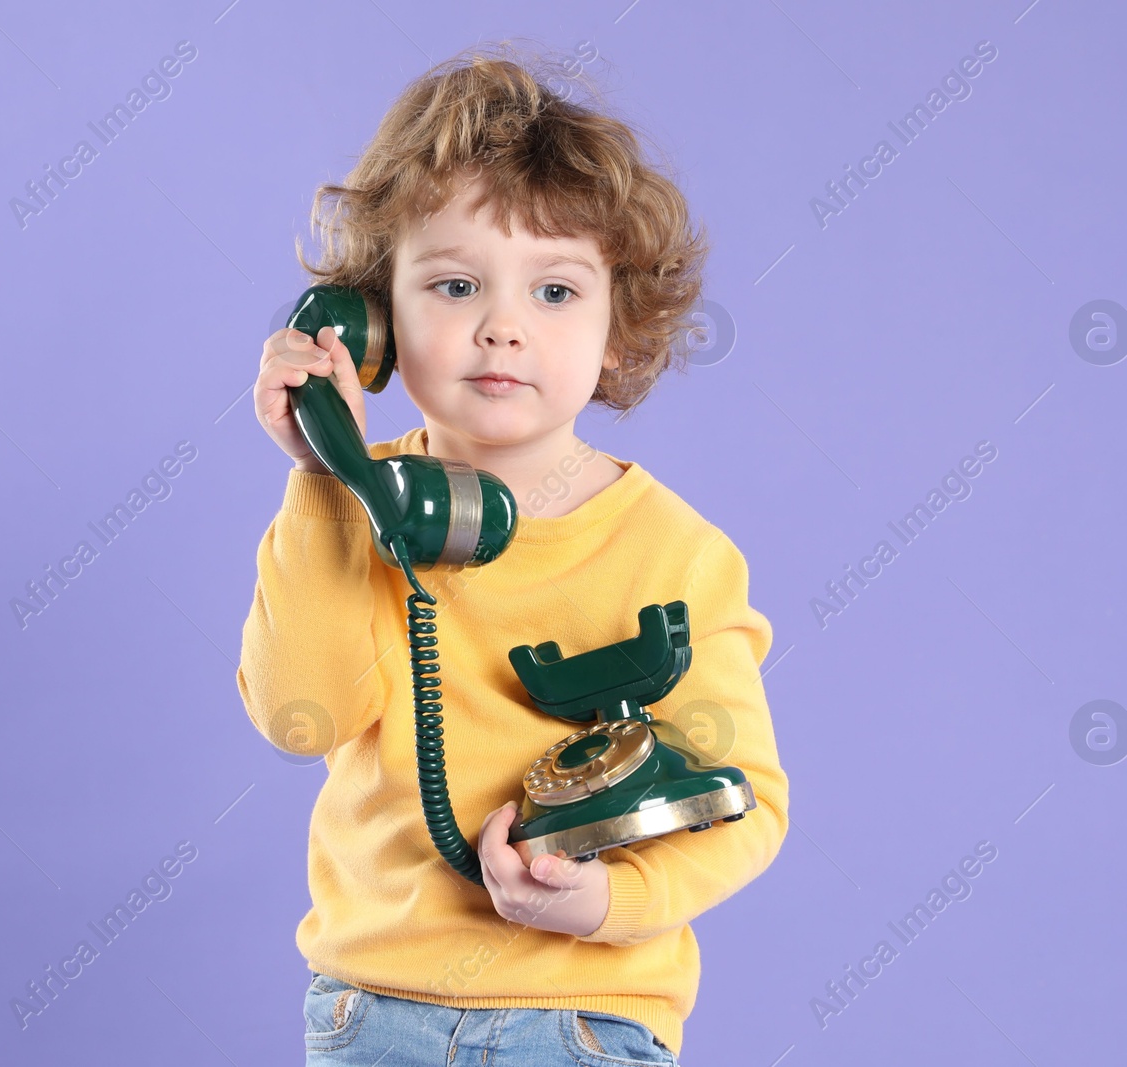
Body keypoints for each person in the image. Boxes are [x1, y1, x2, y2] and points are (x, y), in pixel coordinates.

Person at [238, 42, 789, 1065]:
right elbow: (295, 712)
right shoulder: (354, 504)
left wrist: (613, 897)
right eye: (452, 285)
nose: (500, 328)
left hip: (583, 1014)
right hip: (376, 1011)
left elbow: (743, 801)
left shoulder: (679, 553)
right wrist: (322, 469)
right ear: (374, 322)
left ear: (620, 329)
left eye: (553, 293)